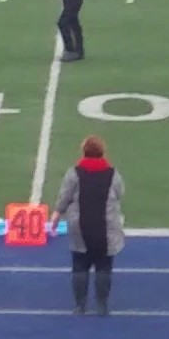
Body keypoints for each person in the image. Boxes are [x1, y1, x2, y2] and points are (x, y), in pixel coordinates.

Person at [50, 135, 125, 316]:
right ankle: (101, 305)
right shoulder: (112, 173)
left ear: (84, 152)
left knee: (80, 266)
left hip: (80, 226)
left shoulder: (74, 173)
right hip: (106, 227)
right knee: (104, 266)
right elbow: (120, 192)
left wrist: (56, 214)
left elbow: (64, 196)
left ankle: (80, 305)